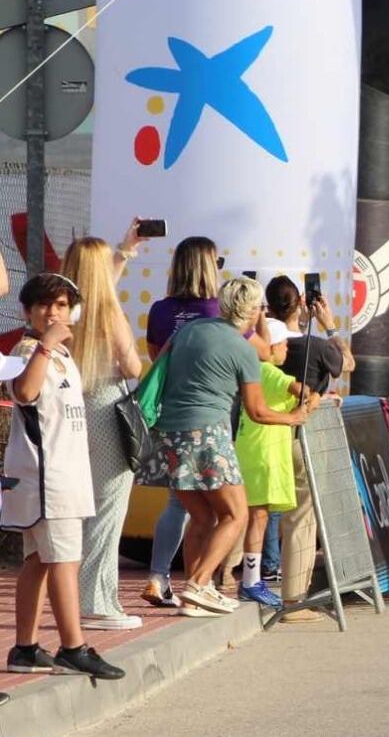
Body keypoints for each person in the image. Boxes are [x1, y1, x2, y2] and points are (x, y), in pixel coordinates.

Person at [154, 278, 311, 615]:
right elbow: (257, 411)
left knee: (201, 516)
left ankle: (193, 596)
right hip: (208, 433)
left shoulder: (190, 331)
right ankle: (198, 583)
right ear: (254, 311)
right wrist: (294, 418)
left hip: (169, 431)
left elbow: (160, 365)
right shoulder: (243, 350)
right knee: (235, 514)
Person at [3, 274, 125, 679]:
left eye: (60, 305)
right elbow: (24, 392)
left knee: (38, 561)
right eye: (43, 305)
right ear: (27, 311)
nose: (52, 313)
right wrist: (45, 345)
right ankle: (74, 646)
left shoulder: (64, 354)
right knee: (65, 562)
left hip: (65, 475)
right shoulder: (29, 350)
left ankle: (24, 647)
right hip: (47, 479)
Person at [142, 236, 267, 610]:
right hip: (211, 419)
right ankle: (201, 583)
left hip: (171, 417)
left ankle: (160, 576)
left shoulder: (161, 311)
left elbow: (157, 358)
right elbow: (265, 351)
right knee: (230, 512)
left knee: (184, 507)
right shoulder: (219, 312)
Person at [62, 232, 146, 632]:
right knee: (108, 507)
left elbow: (100, 285)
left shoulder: (62, 310)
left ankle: (77, 596)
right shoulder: (108, 314)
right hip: (105, 406)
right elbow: (133, 369)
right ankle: (98, 601)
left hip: (67, 406)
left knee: (76, 507)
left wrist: (125, 252)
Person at [265, 276, 353, 623]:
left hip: (262, 433)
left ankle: (230, 581)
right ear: (302, 302)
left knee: (253, 513)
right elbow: (348, 363)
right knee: (300, 517)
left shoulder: (262, 345)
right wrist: (330, 325)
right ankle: (293, 601)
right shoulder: (315, 346)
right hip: (303, 434)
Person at [233, 319, 320, 608]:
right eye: (283, 344)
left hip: (255, 448)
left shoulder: (256, 369)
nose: (286, 349)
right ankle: (250, 580)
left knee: (253, 517)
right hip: (263, 453)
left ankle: (244, 577)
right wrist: (313, 399)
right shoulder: (269, 371)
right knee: (256, 518)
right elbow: (302, 390)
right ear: (270, 346)